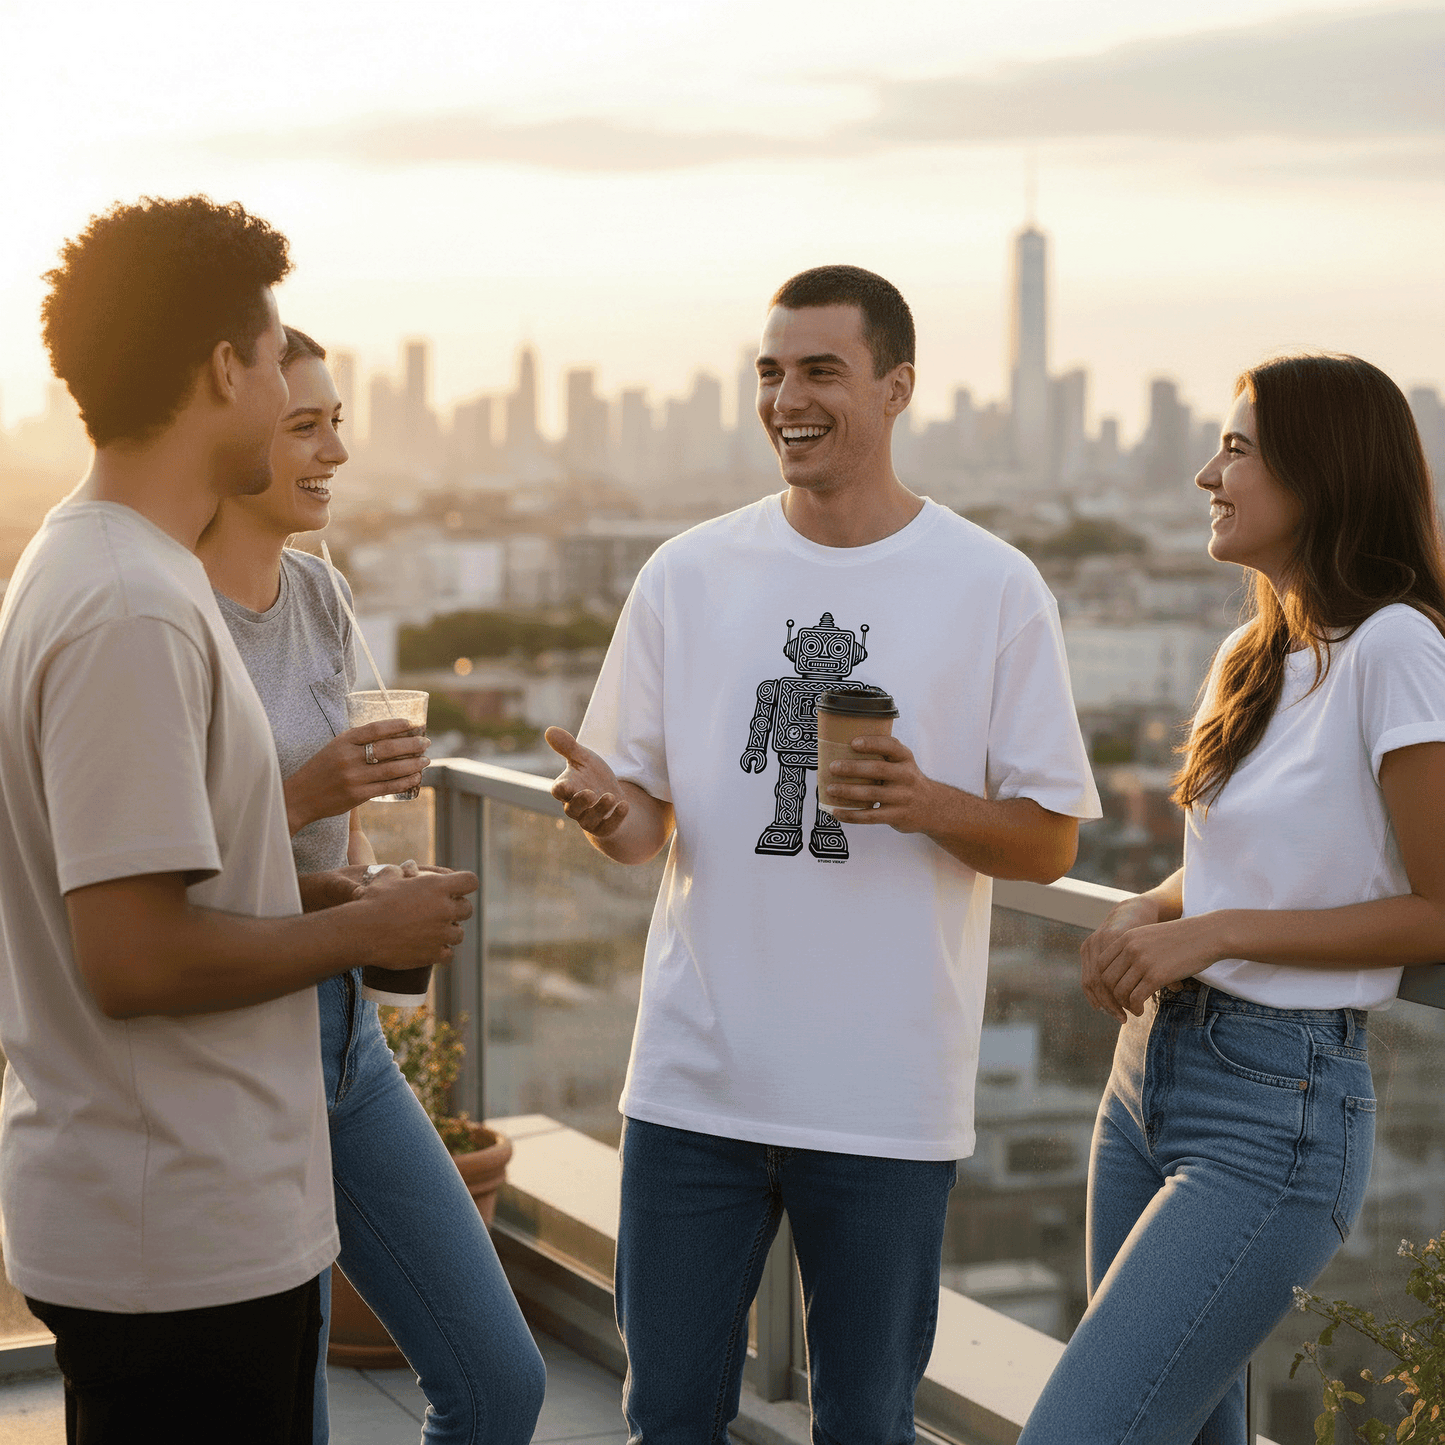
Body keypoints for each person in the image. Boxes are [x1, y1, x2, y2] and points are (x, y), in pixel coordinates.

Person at [545, 265, 1101, 1439]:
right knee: (669, 1415)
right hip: (695, 1084)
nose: (784, 397)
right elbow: (648, 830)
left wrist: (926, 799)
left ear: (895, 388)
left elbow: (1048, 838)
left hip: (885, 1097)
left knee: (865, 1422)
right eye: (769, 371)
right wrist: (611, 813)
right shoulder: (684, 574)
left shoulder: (994, 587)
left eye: (818, 371)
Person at [0, 197, 477, 1445]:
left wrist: (327, 895)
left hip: (176, 1213)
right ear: (224, 369)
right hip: (179, 1235)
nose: (291, 402)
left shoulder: (100, 567)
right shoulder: (132, 606)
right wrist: (356, 931)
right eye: (277, 364)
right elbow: (135, 958)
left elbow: (141, 890)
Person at [1018, 354, 1445, 1444]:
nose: (1207, 472)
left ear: (1322, 471)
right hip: (1145, 1075)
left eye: (1237, 448)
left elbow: (1438, 907)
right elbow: (1238, 864)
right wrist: (1153, 908)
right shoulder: (1250, 656)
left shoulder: (1394, 648)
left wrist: (1206, 931)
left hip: (1276, 1103)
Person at [196, 325, 546, 1445]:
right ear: (233, 426)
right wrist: (299, 796)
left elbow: (328, 845)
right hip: (232, 1055)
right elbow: (144, 877)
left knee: (499, 1385)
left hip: (345, 1040)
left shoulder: (317, 593)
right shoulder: (157, 614)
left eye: (337, 421)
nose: (335, 449)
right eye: (305, 423)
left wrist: (369, 887)